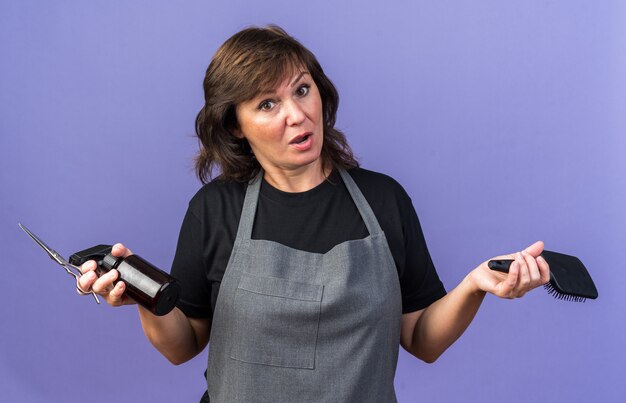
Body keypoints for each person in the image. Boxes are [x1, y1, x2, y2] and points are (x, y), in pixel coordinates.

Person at [78, 25, 550, 402]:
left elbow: (422, 340)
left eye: (302, 90)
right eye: (268, 103)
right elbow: (182, 346)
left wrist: (475, 286)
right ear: (235, 126)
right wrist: (137, 294)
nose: (297, 114)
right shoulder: (215, 209)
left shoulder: (384, 201)